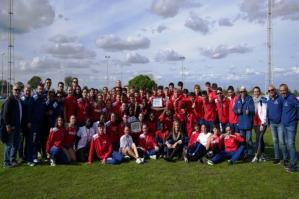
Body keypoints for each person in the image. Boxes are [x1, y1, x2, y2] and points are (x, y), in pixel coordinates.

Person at [279, 84, 299, 173]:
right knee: (288, 144)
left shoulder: (292, 98)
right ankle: (291, 162)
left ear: (287, 90)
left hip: (291, 125)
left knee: (291, 144)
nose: (282, 92)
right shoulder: (283, 98)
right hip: (284, 125)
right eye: (281, 90)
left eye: (283, 90)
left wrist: (296, 118)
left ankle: (294, 165)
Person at [2, 84, 22, 168]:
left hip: (17, 126)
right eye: (15, 89)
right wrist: (8, 125)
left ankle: (12, 160)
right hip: (11, 126)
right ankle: (6, 162)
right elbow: (5, 113)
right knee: (9, 144)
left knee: (15, 144)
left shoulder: (18, 100)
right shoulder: (10, 100)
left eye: (18, 90)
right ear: (12, 90)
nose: (17, 91)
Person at [267, 85, 287, 166]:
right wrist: (268, 124)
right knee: (275, 141)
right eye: (269, 90)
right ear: (268, 92)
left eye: (272, 90)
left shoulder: (280, 99)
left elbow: (285, 110)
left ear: (274, 90)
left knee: (282, 142)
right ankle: (277, 158)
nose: (271, 91)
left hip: (280, 124)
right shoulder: (268, 101)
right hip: (272, 124)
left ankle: (285, 158)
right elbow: (268, 113)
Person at [233, 86, 254, 159]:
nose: (242, 93)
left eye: (243, 91)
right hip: (241, 124)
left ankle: (250, 154)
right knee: (242, 140)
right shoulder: (238, 100)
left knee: (249, 140)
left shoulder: (249, 99)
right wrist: (237, 111)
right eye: (241, 92)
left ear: (246, 91)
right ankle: (244, 154)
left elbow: (253, 109)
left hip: (248, 123)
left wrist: (249, 111)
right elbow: (234, 109)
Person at [251, 86, 267, 163]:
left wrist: (263, 123)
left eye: (257, 91)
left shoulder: (263, 99)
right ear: (253, 93)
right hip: (255, 122)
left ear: (259, 92)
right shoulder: (252, 100)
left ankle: (257, 155)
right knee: (260, 139)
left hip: (261, 122)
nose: (256, 92)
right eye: (255, 91)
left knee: (258, 138)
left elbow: (264, 112)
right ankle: (262, 154)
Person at [19, 85, 34, 166]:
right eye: (26, 90)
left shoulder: (32, 99)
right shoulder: (21, 99)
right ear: (23, 91)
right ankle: (21, 157)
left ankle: (26, 156)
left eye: (29, 90)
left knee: (28, 142)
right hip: (22, 125)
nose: (27, 91)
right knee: (21, 142)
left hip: (29, 125)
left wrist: (30, 122)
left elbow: (33, 112)